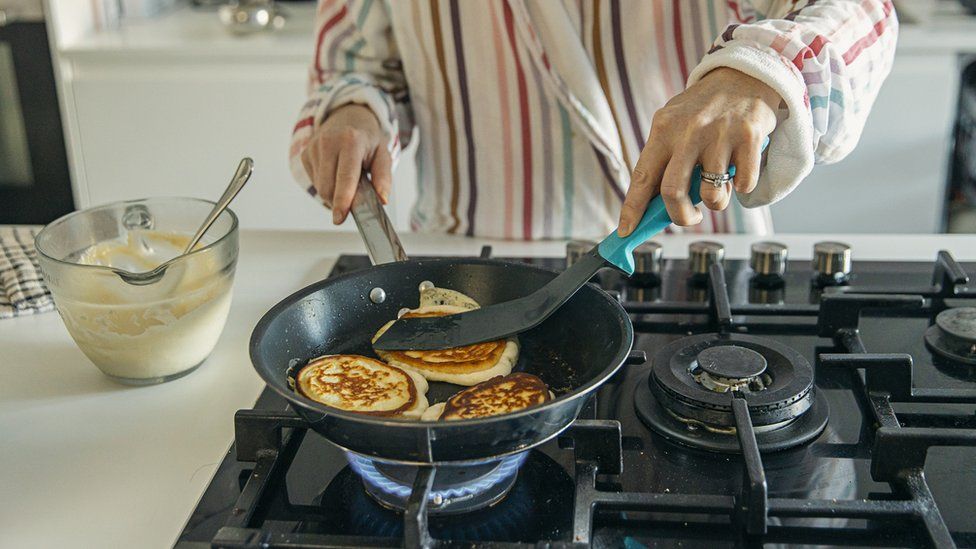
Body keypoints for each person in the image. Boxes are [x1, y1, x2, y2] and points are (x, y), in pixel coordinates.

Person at [290, 1, 897, 239]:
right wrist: (352, 111)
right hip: (467, 258)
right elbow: (356, 64)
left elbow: (861, 11)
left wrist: (758, 71)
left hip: (697, 251)